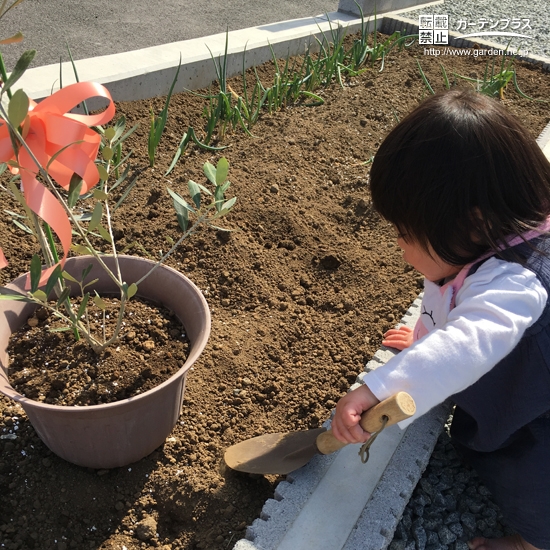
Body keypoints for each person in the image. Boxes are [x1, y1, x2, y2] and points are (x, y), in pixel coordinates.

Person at [331, 89, 550, 550]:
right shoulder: (490, 236)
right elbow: (453, 308)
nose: (399, 246)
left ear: (473, 224)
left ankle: (533, 542)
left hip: (539, 407)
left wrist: (379, 388)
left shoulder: (516, 285)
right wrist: (421, 340)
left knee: (530, 476)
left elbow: (467, 343)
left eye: (407, 234)